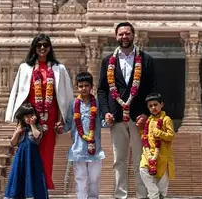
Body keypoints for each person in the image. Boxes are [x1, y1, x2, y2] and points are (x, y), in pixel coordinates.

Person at [5, 34, 75, 190]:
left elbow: (65, 96)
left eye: (45, 45)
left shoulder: (59, 69)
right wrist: (18, 119)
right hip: (30, 116)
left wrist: (63, 120)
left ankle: (43, 183)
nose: (42, 48)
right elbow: (18, 92)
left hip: (50, 116)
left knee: (47, 150)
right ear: (34, 48)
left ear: (50, 48)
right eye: (39, 45)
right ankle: (29, 183)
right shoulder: (25, 68)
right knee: (29, 147)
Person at [97, 22, 157, 199]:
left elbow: (153, 89)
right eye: (121, 34)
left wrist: (146, 114)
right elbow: (102, 89)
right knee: (119, 160)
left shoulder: (146, 60)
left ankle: (141, 195)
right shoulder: (108, 61)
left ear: (133, 35)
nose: (124, 37)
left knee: (141, 160)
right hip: (116, 117)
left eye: (127, 34)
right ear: (116, 36)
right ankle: (120, 195)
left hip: (138, 117)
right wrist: (106, 112)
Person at [63, 72, 105, 199]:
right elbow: (69, 123)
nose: (84, 88)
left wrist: (109, 121)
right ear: (77, 87)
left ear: (92, 86)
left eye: (87, 85)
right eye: (81, 86)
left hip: (95, 147)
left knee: (94, 178)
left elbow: (102, 121)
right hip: (78, 147)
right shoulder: (73, 104)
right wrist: (60, 129)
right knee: (80, 177)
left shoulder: (97, 103)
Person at [4, 103, 49, 199]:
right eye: (27, 116)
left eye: (31, 116)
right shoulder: (20, 129)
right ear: (23, 118)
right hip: (20, 157)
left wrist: (32, 124)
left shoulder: (38, 127)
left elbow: (37, 136)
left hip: (32, 158)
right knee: (18, 176)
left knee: (33, 177)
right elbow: (13, 143)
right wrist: (17, 132)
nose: (29, 118)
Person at [139, 93, 174, 199]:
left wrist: (159, 133)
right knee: (142, 170)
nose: (153, 107)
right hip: (148, 154)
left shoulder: (166, 119)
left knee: (162, 188)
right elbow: (146, 136)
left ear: (161, 105)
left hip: (162, 156)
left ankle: (157, 194)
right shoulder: (148, 120)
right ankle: (153, 192)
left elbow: (171, 136)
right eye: (150, 106)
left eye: (155, 104)